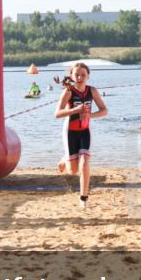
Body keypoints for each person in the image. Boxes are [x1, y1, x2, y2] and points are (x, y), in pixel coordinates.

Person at [54, 62, 108, 208]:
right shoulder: (68, 91)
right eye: (76, 74)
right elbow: (57, 114)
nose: (80, 77)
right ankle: (65, 158)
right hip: (70, 132)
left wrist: (90, 115)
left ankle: (83, 199)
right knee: (72, 171)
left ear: (88, 76)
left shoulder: (93, 91)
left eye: (83, 75)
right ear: (72, 76)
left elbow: (104, 110)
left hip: (85, 132)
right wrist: (75, 110)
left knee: (84, 163)